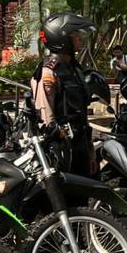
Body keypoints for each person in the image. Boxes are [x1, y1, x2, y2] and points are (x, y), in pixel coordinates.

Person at [31, 12, 98, 176]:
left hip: (80, 141)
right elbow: (45, 116)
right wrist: (59, 139)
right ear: (61, 40)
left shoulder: (75, 68)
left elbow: (81, 112)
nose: (79, 39)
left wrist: (90, 149)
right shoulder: (48, 71)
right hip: (61, 148)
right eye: (75, 36)